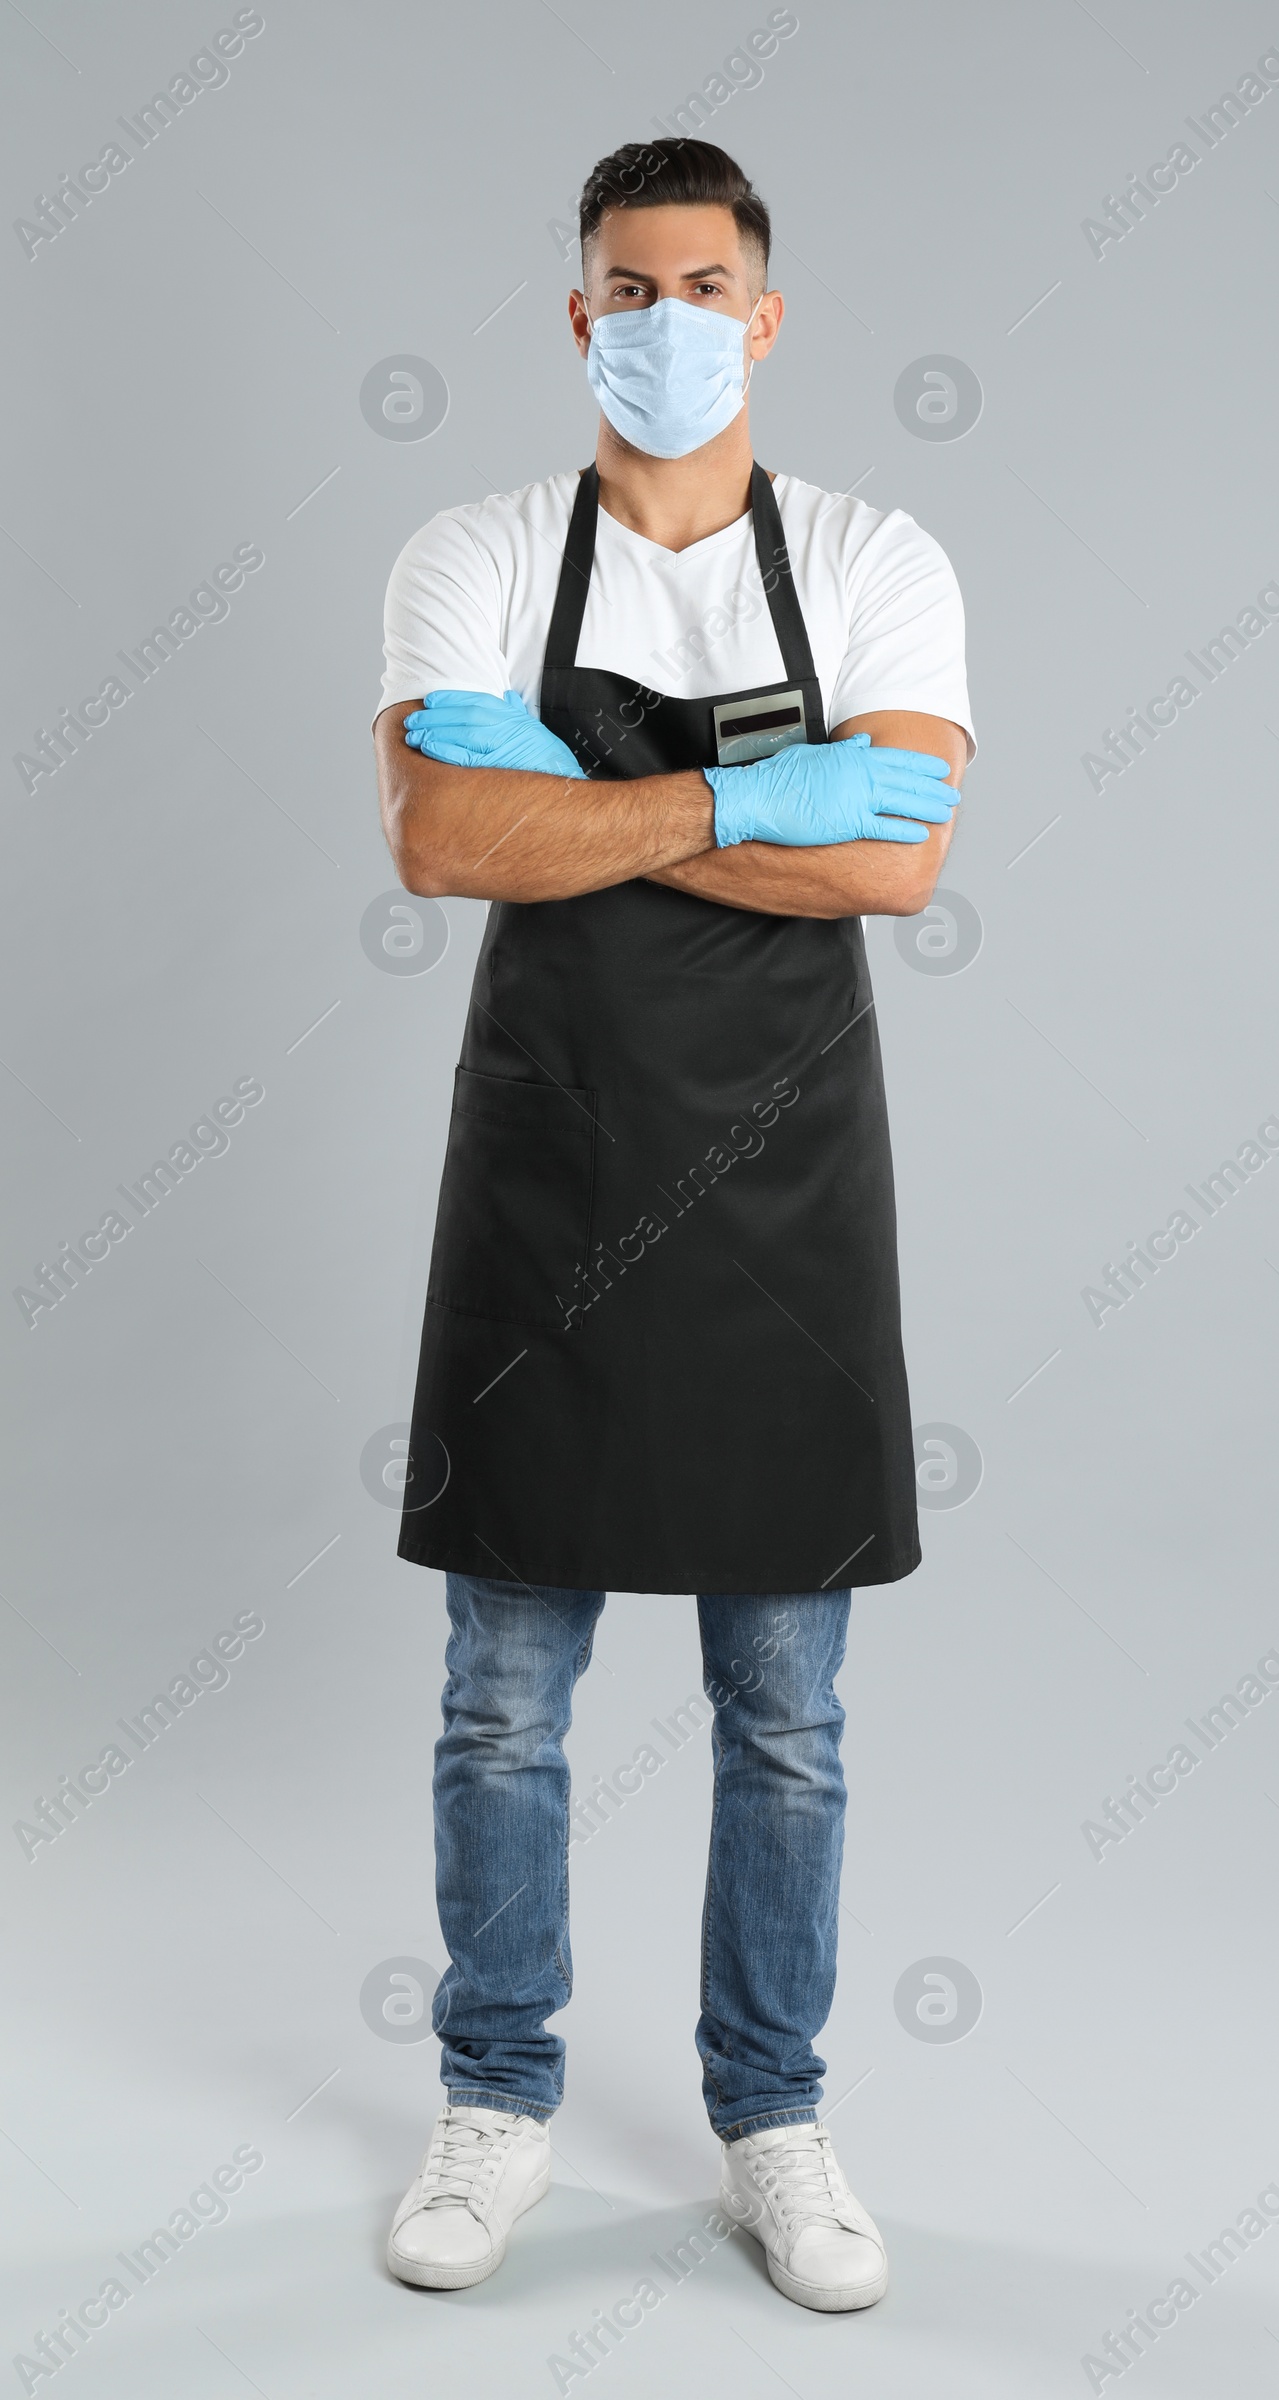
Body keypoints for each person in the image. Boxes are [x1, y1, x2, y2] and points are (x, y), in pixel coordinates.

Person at [370, 137, 973, 2313]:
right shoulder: (469, 549)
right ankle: (495, 2097)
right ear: (575, 316)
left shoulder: (881, 556)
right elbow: (443, 838)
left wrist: (584, 805)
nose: (665, 325)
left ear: (765, 313)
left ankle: (773, 2117)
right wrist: (745, 797)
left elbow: (893, 869)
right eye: (629, 290)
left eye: (704, 287)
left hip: (782, 1198)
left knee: (785, 1704)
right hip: (546, 1173)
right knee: (498, 1702)